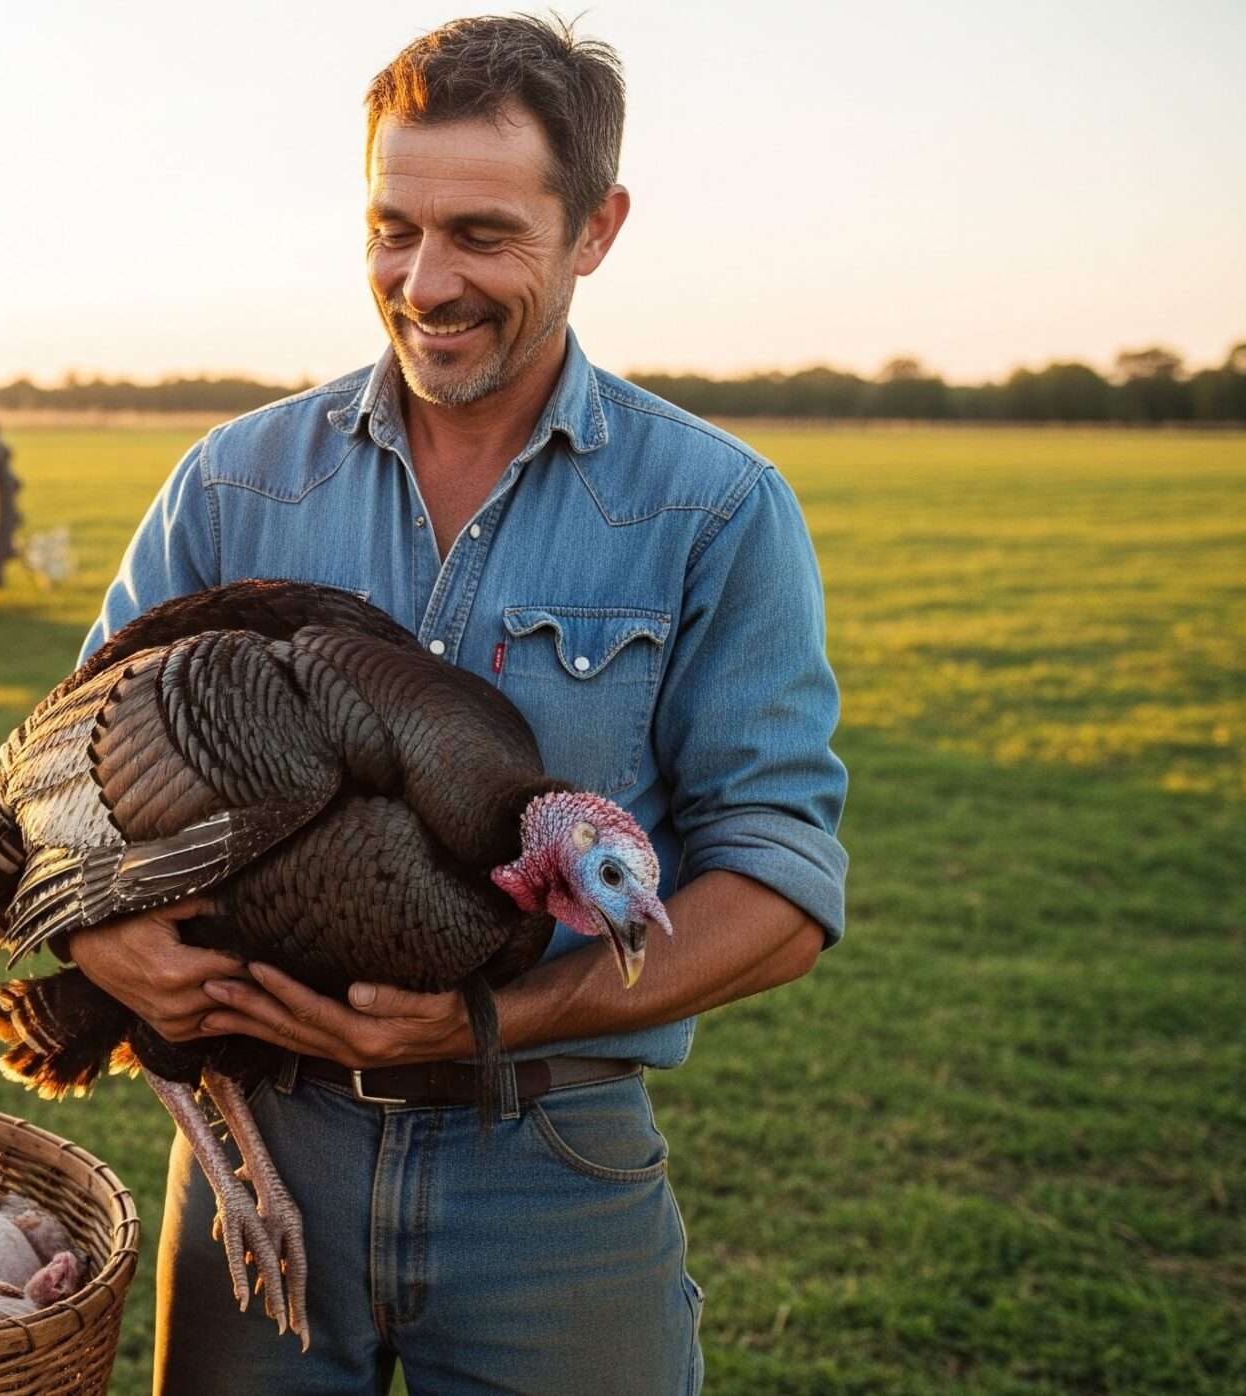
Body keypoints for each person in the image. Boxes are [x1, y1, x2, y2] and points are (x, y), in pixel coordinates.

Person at [62, 14, 849, 1394]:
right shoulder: (235, 483)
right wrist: (104, 945)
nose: (425, 282)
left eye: (482, 235)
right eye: (392, 228)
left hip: (548, 1171)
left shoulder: (712, 509)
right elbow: (69, 783)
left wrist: (490, 1021)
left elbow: (782, 881)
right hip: (262, 1153)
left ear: (595, 228)